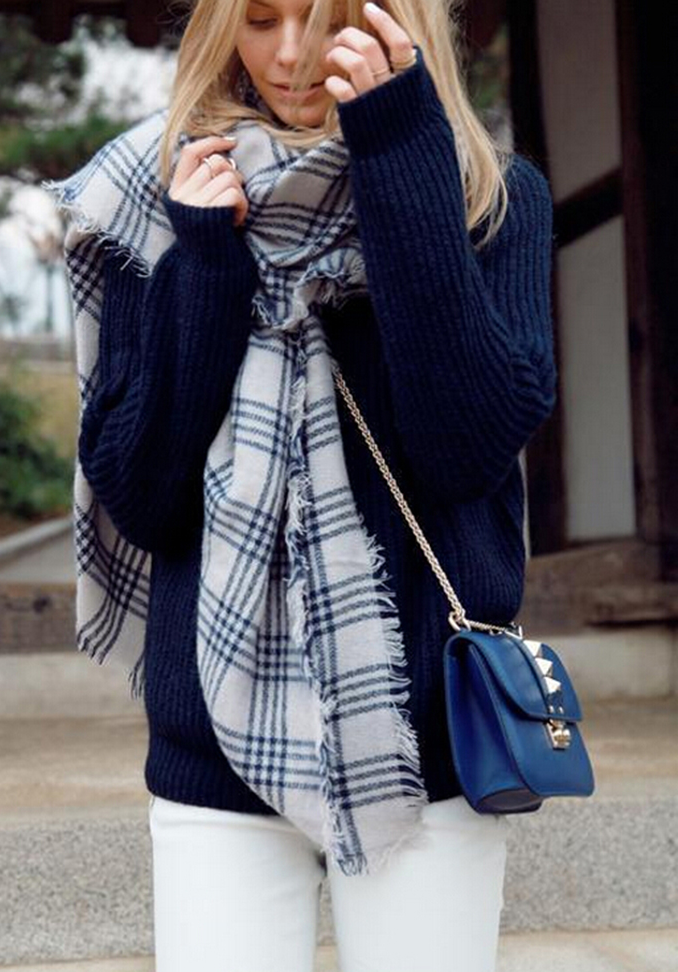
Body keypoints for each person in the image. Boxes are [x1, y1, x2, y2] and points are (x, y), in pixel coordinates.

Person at [46, 1, 557, 969]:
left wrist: (397, 149)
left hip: (426, 741)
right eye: (259, 18)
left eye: (324, 19)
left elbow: (466, 447)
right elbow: (141, 498)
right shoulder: (157, 197)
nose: (290, 55)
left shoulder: (487, 199)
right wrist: (206, 264)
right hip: (213, 744)